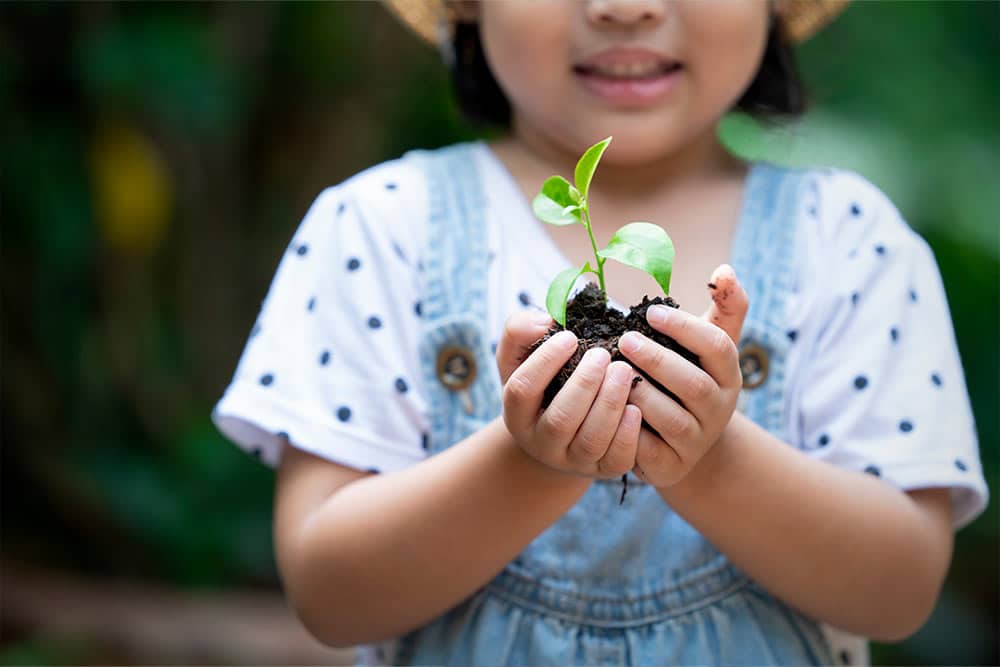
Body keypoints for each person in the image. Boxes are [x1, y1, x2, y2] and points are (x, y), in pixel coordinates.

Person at [212, 1, 989, 665]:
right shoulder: (379, 230)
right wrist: (528, 462)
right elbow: (329, 591)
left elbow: (901, 586)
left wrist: (711, 460)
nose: (625, 6)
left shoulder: (849, 243)